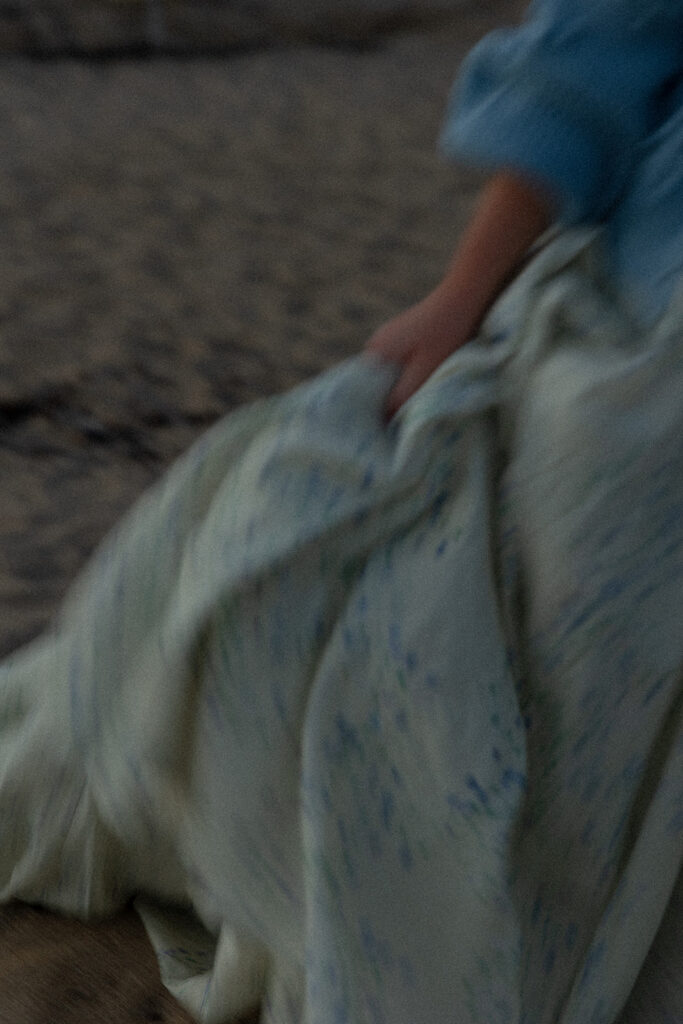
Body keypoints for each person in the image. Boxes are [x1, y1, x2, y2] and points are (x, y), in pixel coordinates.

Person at [1, 1, 681, 1022]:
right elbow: (591, 59)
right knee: (350, 533)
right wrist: (458, 301)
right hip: (641, 342)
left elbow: (586, 63)